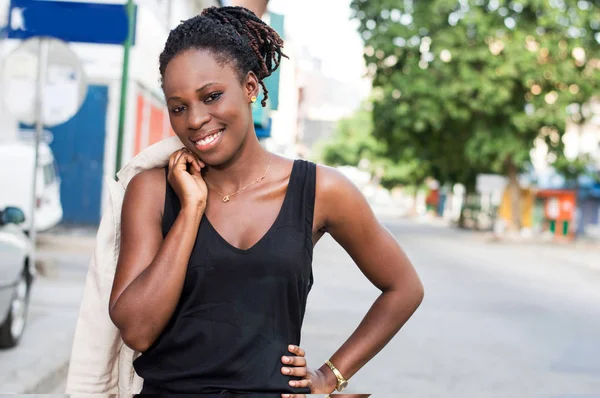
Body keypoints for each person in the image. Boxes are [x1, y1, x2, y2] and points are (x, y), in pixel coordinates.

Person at [107, 6, 424, 397]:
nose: (195, 119)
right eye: (179, 107)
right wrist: (190, 211)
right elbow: (137, 330)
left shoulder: (321, 190)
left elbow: (403, 288)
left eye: (212, 96)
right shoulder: (153, 190)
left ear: (251, 88)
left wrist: (330, 376)